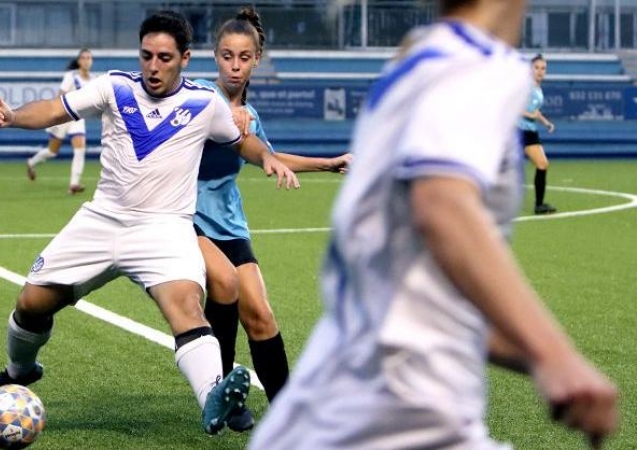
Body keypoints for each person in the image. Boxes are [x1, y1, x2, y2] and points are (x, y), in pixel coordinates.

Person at [250, 1, 619, 449]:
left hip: (328, 406)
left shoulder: (416, 62)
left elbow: (415, 294)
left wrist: (537, 360)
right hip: (403, 411)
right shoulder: (479, 65)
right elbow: (442, 206)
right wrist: (555, 354)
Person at [0, 10, 300, 435]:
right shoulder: (114, 87)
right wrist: (14, 117)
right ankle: (19, 371)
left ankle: (212, 399)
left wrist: (269, 158)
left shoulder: (205, 104)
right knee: (30, 304)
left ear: (185, 58)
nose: (153, 66)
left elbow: (243, 143)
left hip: (164, 229)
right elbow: (56, 111)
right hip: (101, 220)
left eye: (164, 58)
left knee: (186, 307)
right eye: (147, 55)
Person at [192, 6, 351, 432]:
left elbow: (269, 156)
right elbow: (209, 128)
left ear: (256, 60)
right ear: (215, 56)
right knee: (224, 284)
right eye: (227, 55)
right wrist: (228, 120)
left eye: (244, 57)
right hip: (187, 220)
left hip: (229, 223)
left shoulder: (252, 116)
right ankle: (221, 392)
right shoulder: (196, 99)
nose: (235, 65)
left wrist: (328, 164)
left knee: (260, 313)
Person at [25, 48, 94, 195]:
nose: (87, 60)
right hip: (64, 116)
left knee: (80, 149)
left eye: (89, 58)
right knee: (52, 151)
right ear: (79, 61)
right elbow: (61, 95)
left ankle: (74, 184)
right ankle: (31, 162)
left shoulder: (93, 80)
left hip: (77, 118)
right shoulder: (71, 76)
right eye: (84, 58)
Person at [520, 53, 557, 214]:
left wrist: (545, 122)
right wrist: (530, 116)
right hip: (517, 131)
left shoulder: (537, 88)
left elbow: (534, 111)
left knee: (542, 164)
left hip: (530, 131)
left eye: (543, 68)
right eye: (536, 68)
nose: (540, 71)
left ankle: (539, 205)